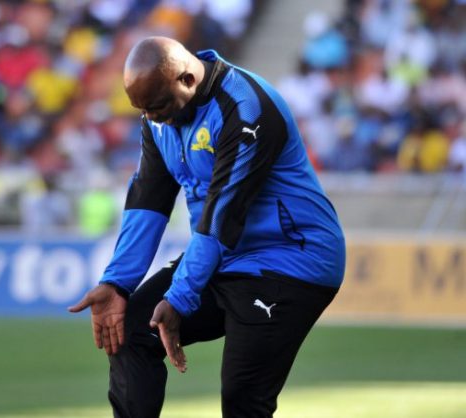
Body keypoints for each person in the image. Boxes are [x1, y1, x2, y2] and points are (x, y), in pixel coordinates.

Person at [69, 36, 346, 418]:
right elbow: (148, 201)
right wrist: (117, 283)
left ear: (187, 79)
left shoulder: (245, 108)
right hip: (224, 256)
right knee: (131, 330)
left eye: (157, 107)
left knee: (242, 396)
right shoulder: (158, 116)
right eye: (143, 111)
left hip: (289, 259)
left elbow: (222, 216)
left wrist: (180, 298)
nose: (151, 118)